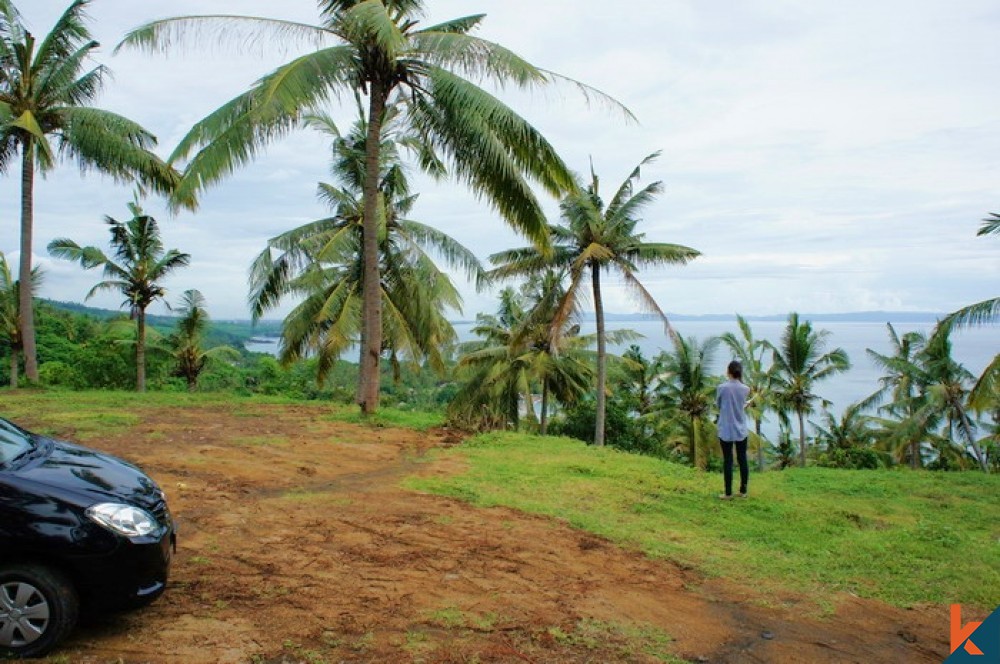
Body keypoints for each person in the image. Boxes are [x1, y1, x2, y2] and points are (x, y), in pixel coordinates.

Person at [716, 360, 751, 499]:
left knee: (728, 460)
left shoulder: (721, 388)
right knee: (743, 459)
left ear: (728, 371)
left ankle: (728, 493)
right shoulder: (745, 389)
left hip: (725, 429)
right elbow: (740, 404)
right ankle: (743, 491)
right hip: (741, 428)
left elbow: (719, 404)